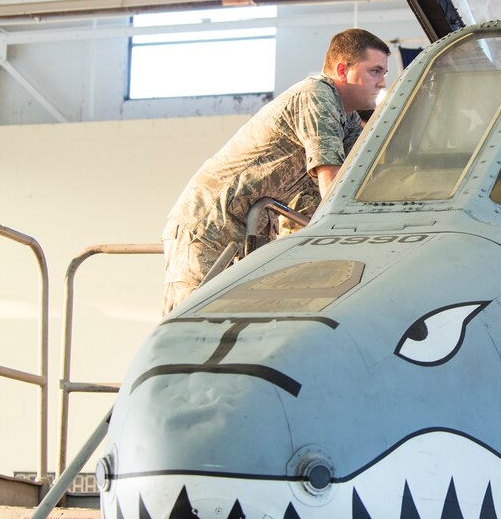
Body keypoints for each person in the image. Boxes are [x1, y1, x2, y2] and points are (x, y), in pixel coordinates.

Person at [161, 29, 390, 314]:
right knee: (193, 325)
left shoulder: (349, 119)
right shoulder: (316, 95)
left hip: (251, 231)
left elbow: (349, 187)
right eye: (375, 71)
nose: (382, 82)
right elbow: (332, 185)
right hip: (211, 225)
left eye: (383, 73)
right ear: (343, 70)